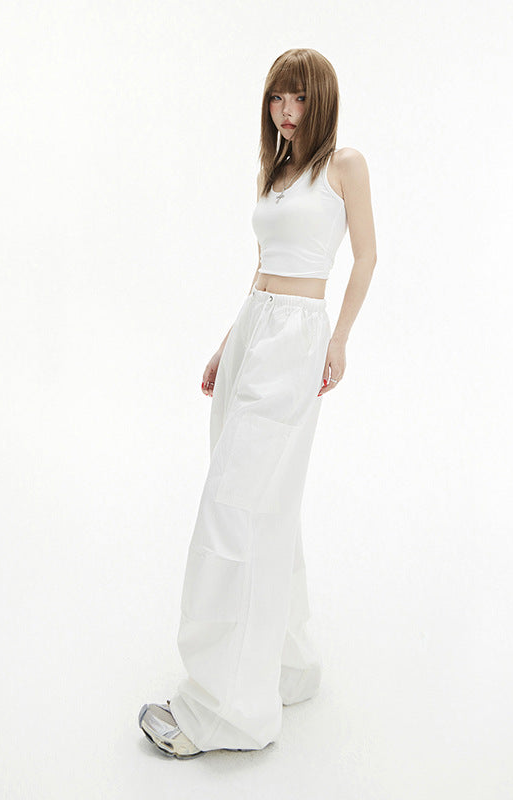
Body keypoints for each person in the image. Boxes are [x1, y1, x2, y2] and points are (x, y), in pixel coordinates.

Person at [139, 47, 377, 758]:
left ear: (321, 101)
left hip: (297, 339)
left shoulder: (344, 166)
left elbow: (366, 257)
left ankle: (226, 713)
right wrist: (227, 342)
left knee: (235, 507)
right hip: (255, 329)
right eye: (277, 97)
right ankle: (286, 666)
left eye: (298, 98)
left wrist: (339, 339)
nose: (286, 110)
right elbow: (263, 269)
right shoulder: (276, 171)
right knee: (262, 503)